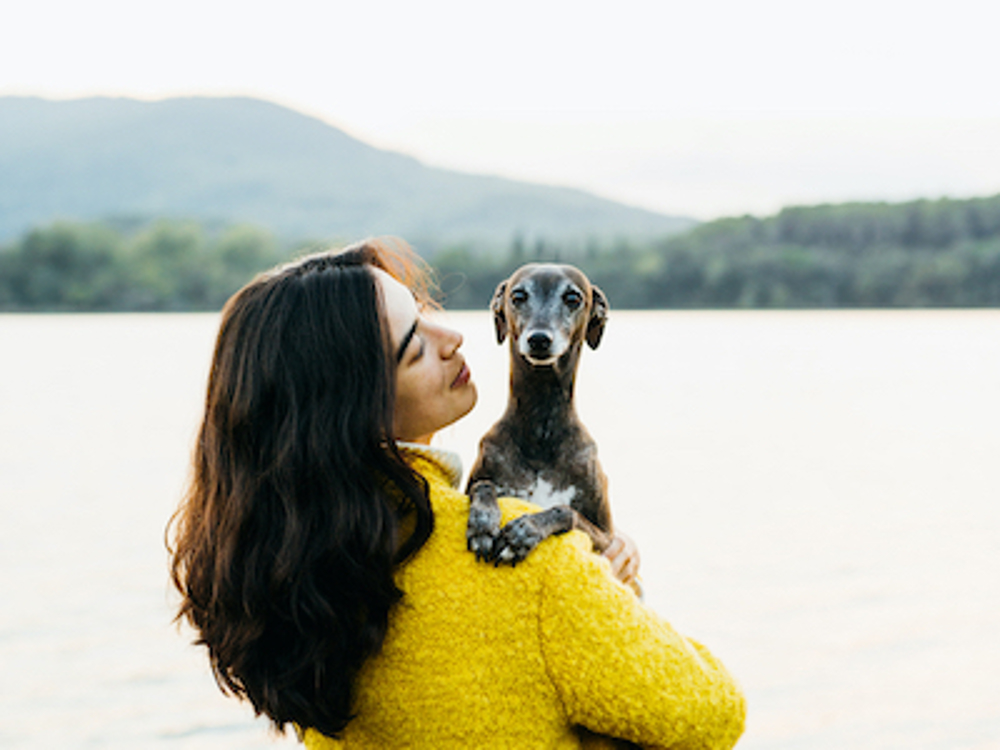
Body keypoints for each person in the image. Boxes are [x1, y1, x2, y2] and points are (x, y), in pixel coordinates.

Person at [169, 238, 745, 749]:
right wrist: (609, 584)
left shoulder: (307, 580)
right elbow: (714, 713)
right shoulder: (538, 564)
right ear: (356, 405)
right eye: (415, 344)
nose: (453, 337)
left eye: (424, 312)